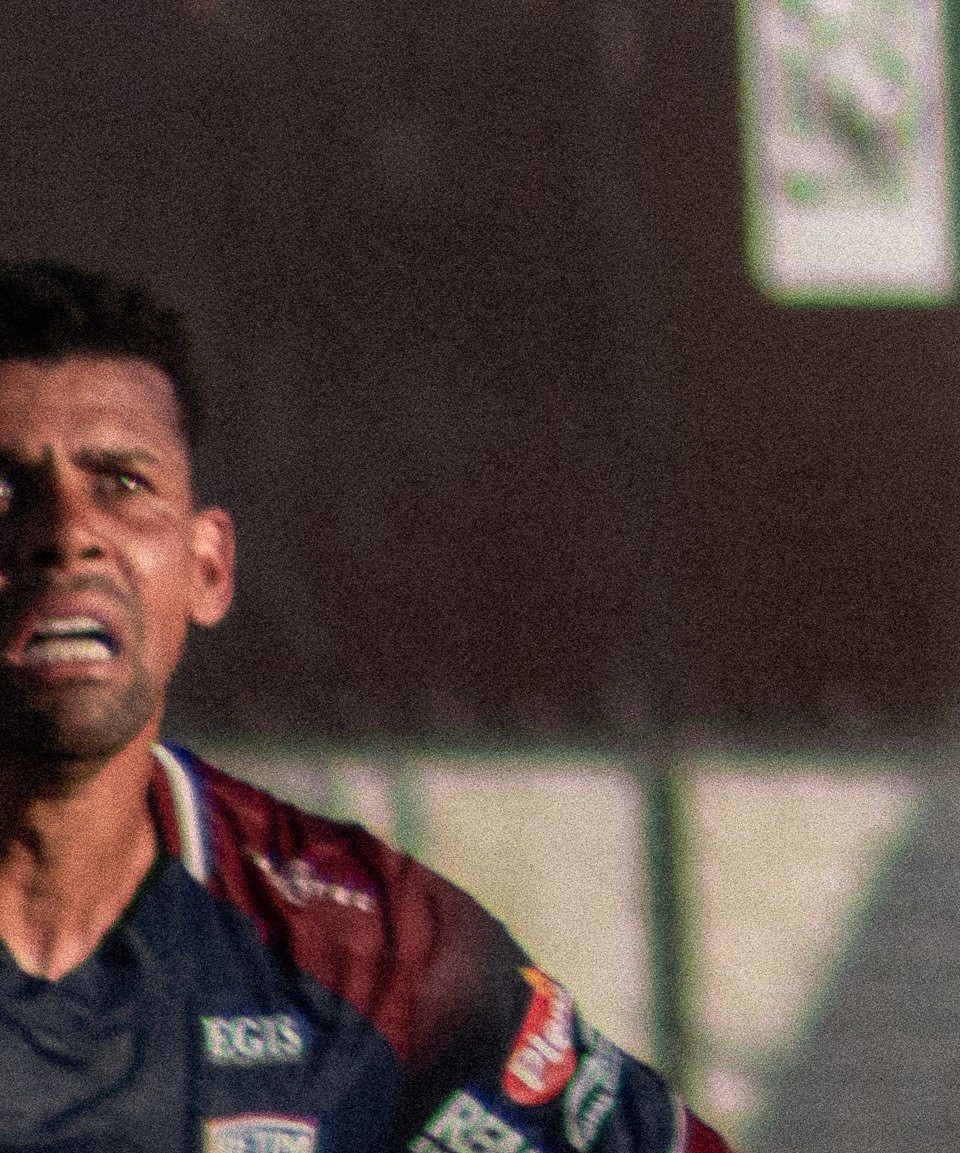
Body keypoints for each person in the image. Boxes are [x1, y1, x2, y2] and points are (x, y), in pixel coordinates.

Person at [0, 261, 720, 1152]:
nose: (68, 534)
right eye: (2, 493)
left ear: (208, 568)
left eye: (123, 483)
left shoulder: (361, 948)